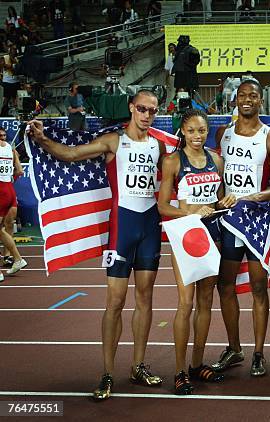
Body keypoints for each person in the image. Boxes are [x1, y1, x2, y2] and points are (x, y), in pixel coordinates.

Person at [28, 90, 166, 400]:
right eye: (142, 108)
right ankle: (106, 373)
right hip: (122, 228)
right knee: (115, 302)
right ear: (131, 108)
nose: (146, 115)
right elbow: (72, 154)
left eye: (152, 111)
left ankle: (138, 365)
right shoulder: (114, 141)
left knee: (145, 298)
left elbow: (185, 165)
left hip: (149, 228)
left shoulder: (159, 146)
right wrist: (41, 140)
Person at [212, 79, 270, 376]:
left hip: (257, 219)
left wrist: (260, 195)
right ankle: (234, 348)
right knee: (225, 285)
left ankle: (258, 352)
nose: (247, 100)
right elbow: (214, 173)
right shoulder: (223, 134)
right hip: (230, 220)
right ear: (235, 100)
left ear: (260, 101)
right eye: (242, 95)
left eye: (253, 96)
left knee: (258, 287)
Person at [158, 109, 224, 395]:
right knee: (186, 304)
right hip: (186, 235)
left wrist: (225, 200)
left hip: (214, 234)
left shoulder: (216, 160)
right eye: (192, 131)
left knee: (207, 301)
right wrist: (191, 210)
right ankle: (180, 370)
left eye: (202, 131)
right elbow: (162, 206)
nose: (198, 136)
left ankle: (197, 365)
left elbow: (218, 200)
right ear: (182, 131)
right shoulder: (173, 161)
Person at [0, 128, 26, 282]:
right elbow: (19, 170)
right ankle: (17, 259)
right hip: (9, 189)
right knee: (2, 229)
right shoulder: (9, 148)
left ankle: (15, 260)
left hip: (1, 190)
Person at [1, 45, 20, 117]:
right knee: (5, 99)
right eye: (13, 49)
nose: (14, 51)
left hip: (16, 81)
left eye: (15, 49)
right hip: (7, 82)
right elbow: (4, 66)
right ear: (10, 50)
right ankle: (2, 114)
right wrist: (12, 66)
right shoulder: (5, 57)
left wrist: (12, 66)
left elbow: (17, 69)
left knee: (16, 99)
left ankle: (16, 114)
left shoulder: (17, 58)